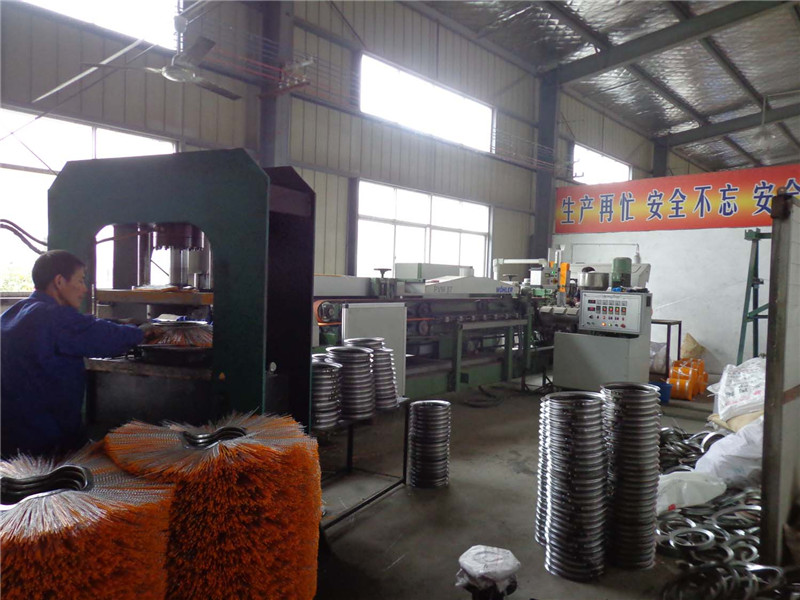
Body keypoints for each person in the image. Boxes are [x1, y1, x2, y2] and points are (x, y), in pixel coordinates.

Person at [1, 250, 147, 458]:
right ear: (59, 281)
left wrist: (120, 324)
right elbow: (104, 338)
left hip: (10, 438)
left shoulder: (14, 313)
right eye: (80, 280)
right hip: (46, 442)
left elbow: (85, 326)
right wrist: (143, 332)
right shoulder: (53, 317)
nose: (84, 289)